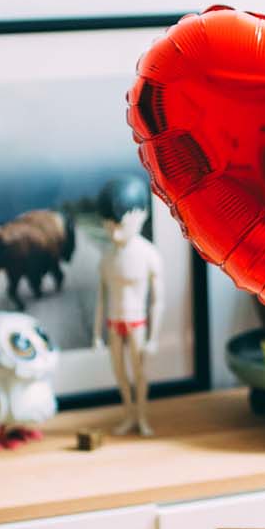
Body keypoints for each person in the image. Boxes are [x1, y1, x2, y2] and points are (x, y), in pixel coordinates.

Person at [92, 174, 165, 436]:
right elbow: (101, 296)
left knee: (139, 373)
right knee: (120, 374)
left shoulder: (148, 255)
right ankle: (129, 415)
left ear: (140, 215)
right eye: (108, 225)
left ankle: (142, 417)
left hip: (137, 323)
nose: (113, 231)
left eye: (120, 224)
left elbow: (157, 300)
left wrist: (154, 337)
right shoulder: (107, 257)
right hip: (113, 323)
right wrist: (95, 333)